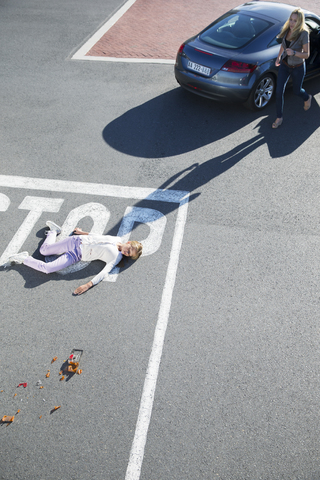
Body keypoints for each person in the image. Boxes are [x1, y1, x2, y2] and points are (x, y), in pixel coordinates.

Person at [5, 221, 143, 295]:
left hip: (76, 255)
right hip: (76, 240)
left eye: (129, 254)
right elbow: (98, 236)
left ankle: (24, 258)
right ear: (129, 243)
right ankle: (54, 231)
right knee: (44, 251)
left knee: (48, 268)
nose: (127, 252)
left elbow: (104, 272)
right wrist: (82, 232)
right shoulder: (117, 238)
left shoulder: (116, 257)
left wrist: (88, 285)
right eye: (130, 249)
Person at [272, 8, 312, 129]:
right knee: (278, 92)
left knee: (296, 91)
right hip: (285, 65)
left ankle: (307, 97)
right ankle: (279, 117)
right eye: (291, 19)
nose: (292, 23)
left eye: (295, 21)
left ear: (300, 22)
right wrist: (278, 57)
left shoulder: (303, 34)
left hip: (298, 67)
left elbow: (306, 54)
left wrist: (294, 52)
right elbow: (283, 45)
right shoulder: (286, 30)